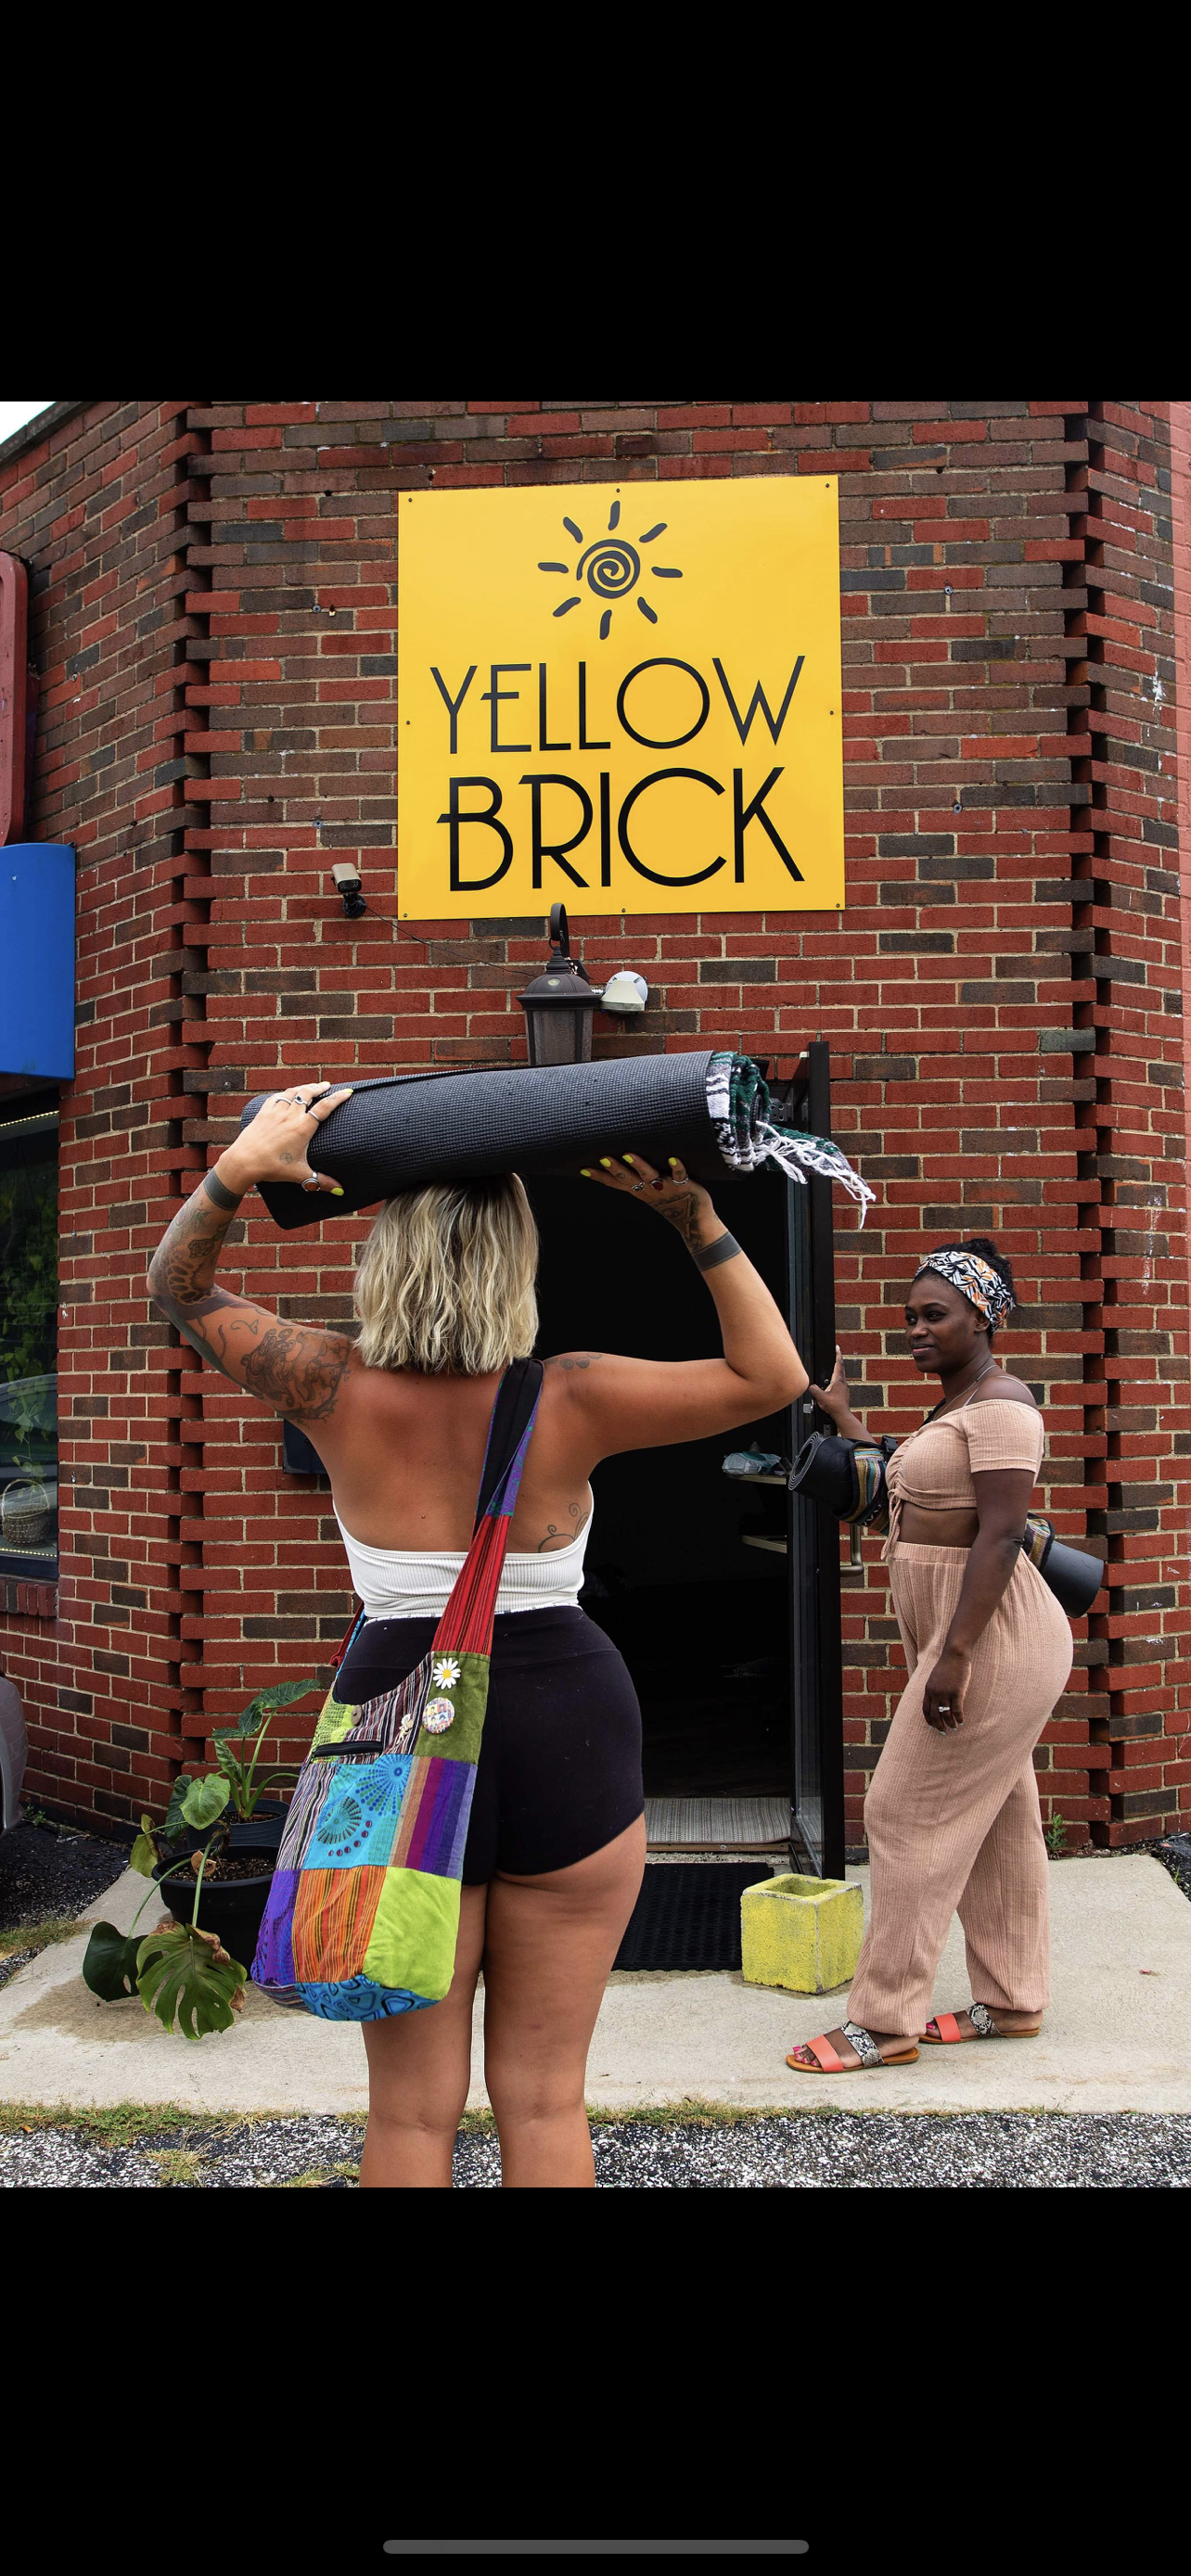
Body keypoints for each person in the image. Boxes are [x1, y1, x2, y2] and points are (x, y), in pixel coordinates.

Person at [147, 1080, 809, 2186]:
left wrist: (239, 1167)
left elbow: (176, 1282)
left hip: (393, 1731)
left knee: (409, 2118)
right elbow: (773, 1377)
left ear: (387, 1257)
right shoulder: (577, 1395)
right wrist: (696, 1221)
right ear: (516, 1262)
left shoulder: (328, 1385)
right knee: (546, 2102)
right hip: (569, 1724)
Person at [786, 1237, 1073, 2076]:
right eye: (910, 1316)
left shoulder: (1005, 1405)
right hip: (964, 1638)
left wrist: (954, 1658)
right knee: (1001, 1819)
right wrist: (845, 1423)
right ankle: (1014, 1999)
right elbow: (910, 1497)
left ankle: (883, 2022)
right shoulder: (953, 1409)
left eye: (934, 1315)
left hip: (990, 1640)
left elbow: (1001, 1532)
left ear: (983, 1316)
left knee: (902, 1812)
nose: (915, 1329)